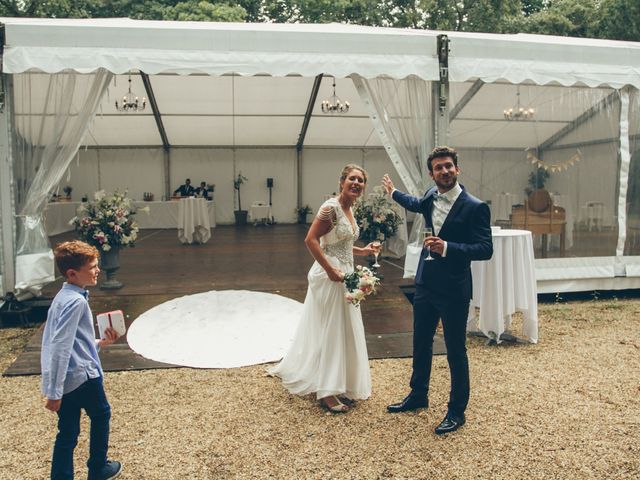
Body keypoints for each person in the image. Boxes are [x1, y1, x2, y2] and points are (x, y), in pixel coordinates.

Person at [382, 146, 492, 435]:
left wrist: (447, 247)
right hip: (426, 284)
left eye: (448, 166)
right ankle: (418, 396)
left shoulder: (475, 206)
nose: (444, 171)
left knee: (456, 351)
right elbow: (416, 203)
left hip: (455, 289)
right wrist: (394, 193)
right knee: (421, 343)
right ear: (431, 174)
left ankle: (457, 412)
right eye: (438, 168)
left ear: (457, 168)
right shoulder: (431, 196)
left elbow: (485, 249)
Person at [269, 164, 380, 413]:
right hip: (330, 275)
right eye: (352, 179)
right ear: (342, 181)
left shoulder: (350, 209)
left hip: (347, 274)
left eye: (361, 181)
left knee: (345, 329)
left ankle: (342, 383)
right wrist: (330, 270)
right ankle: (327, 392)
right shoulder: (330, 208)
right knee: (332, 328)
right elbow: (311, 240)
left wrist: (363, 251)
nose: (357, 183)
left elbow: (339, 243)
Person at [41, 240, 123, 479]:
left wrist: (100, 343)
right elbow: (60, 346)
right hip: (83, 376)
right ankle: (98, 467)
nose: (97, 270)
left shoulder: (62, 297)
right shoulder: (77, 302)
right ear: (72, 273)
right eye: (93, 267)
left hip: (67, 378)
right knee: (101, 415)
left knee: (67, 432)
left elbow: (71, 343)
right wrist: (53, 393)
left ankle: (61, 476)